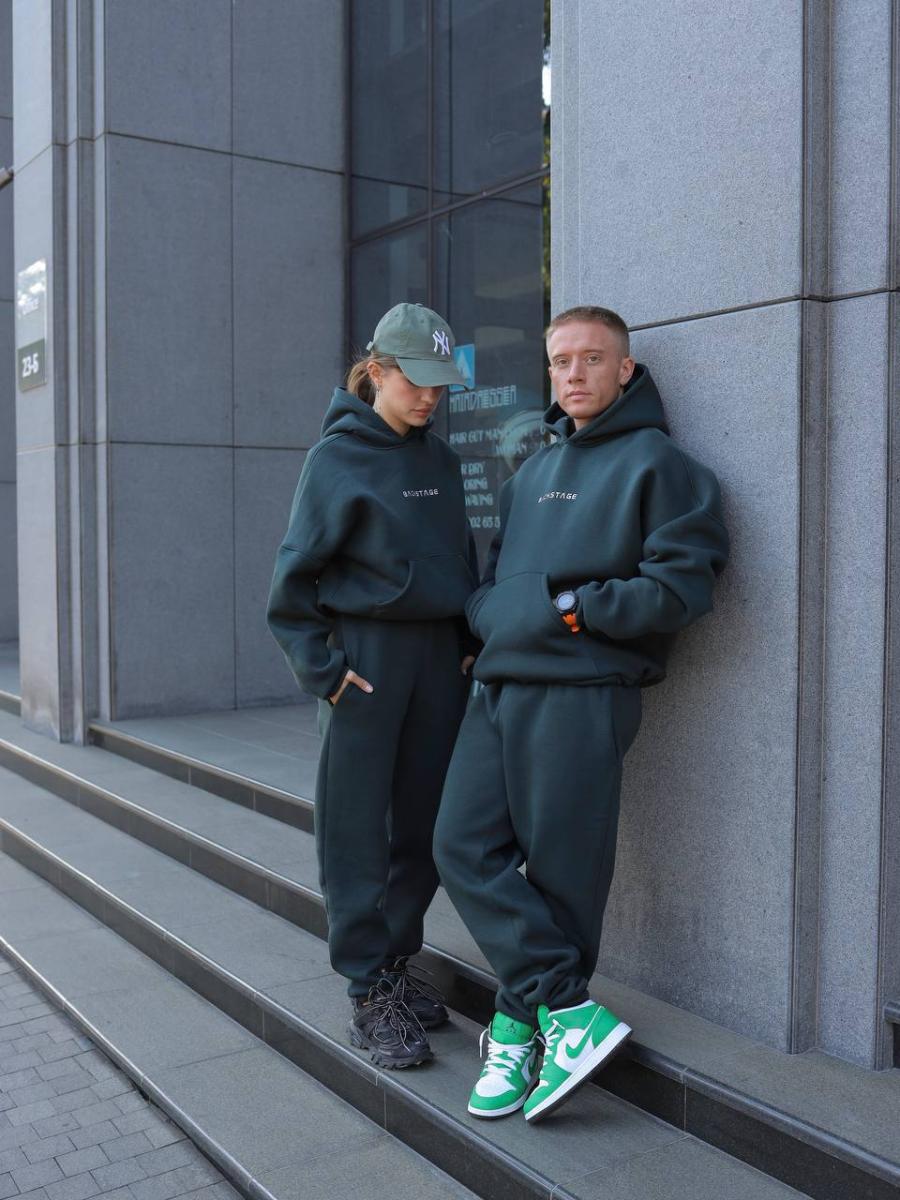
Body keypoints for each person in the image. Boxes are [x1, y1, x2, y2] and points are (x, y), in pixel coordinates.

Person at [433, 305, 729, 1121]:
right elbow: (496, 579)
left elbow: (681, 588)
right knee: (459, 844)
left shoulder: (662, 467)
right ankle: (567, 1009)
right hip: (502, 687)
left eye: (592, 359)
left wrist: (571, 610)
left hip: (583, 691)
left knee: (563, 872)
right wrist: (493, 618)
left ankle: (517, 1027)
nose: (573, 374)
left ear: (624, 370)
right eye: (561, 361)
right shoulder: (533, 469)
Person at [267, 302, 478, 1069]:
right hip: (366, 661)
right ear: (379, 371)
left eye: (439, 383)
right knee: (355, 828)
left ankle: (393, 962)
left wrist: (465, 643)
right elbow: (293, 581)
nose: (429, 396)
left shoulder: (441, 461)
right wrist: (324, 673)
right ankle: (365, 989)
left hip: (438, 663)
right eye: (415, 380)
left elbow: (459, 559)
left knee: (424, 824)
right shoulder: (336, 460)